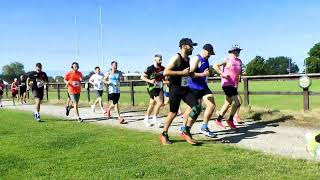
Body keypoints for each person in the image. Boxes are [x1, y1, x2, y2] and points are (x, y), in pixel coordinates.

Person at [160, 38, 201, 145]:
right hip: (175, 89)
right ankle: (164, 134)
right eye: (190, 46)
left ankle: (185, 131)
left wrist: (193, 73)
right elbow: (166, 72)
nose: (192, 48)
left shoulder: (188, 59)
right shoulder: (176, 58)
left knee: (197, 107)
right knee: (173, 113)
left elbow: (187, 73)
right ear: (184, 46)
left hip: (185, 88)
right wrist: (182, 72)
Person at [180, 44, 217, 138]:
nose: (210, 55)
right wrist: (203, 74)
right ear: (204, 50)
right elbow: (190, 74)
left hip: (203, 86)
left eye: (211, 54)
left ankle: (204, 127)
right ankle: (183, 127)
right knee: (191, 108)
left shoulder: (206, 59)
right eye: (209, 53)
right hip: (193, 87)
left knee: (211, 105)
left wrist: (208, 73)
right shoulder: (196, 59)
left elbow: (204, 72)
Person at [213, 45, 244, 129]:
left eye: (239, 50)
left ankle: (218, 120)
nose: (239, 52)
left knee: (228, 103)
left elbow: (239, 73)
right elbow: (215, 66)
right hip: (226, 84)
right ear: (233, 51)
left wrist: (240, 76)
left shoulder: (239, 61)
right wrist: (222, 74)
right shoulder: (227, 59)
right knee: (237, 103)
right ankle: (230, 120)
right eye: (237, 50)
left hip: (233, 85)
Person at [141, 54, 165, 127]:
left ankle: (146, 119)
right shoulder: (150, 68)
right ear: (155, 60)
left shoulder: (163, 68)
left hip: (159, 87)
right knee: (160, 102)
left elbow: (165, 77)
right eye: (159, 60)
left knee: (151, 104)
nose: (161, 61)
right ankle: (154, 119)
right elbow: (142, 77)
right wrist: (150, 81)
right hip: (152, 87)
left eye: (161, 59)